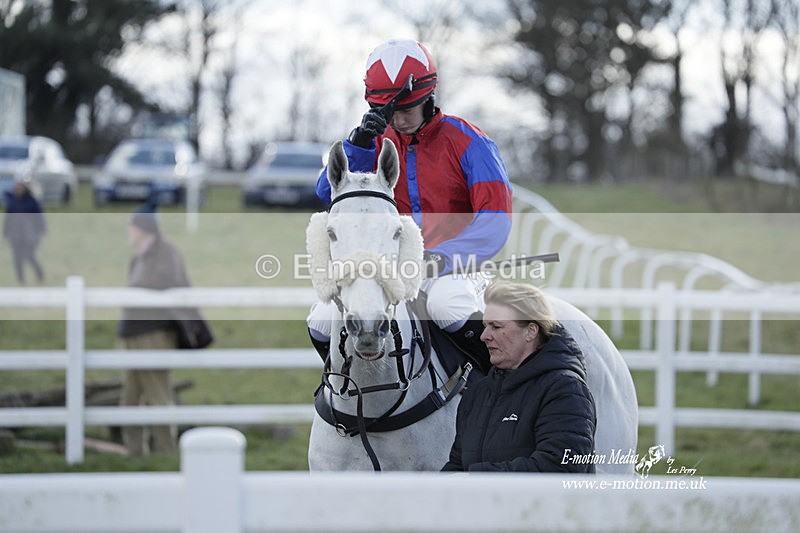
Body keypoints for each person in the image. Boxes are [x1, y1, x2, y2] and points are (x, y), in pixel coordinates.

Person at [308, 39, 513, 372]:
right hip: (390, 269)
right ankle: (343, 390)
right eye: (390, 112)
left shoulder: (471, 142)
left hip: (455, 267)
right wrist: (359, 144)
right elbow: (325, 193)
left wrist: (441, 257)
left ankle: (497, 388)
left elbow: (496, 222)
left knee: (447, 305)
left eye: (407, 109)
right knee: (320, 321)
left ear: (428, 98)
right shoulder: (375, 143)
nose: (399, 120)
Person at [441, 282, 596, 472]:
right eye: (485, 326)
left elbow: (561, 467)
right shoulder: (476, 394)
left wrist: (475, 479)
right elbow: (457, 465)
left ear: (531, 331)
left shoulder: (565, 389)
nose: (484, 336)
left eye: (496, 326)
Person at [116, 203, 191, 457]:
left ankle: (166, 451)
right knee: (130, 397)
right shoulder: (138, 257)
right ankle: (135, 450)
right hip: (133, 333)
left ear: (143, 229)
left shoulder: (166, 253)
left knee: (157, 394)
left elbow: (167, 285)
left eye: (132, 225)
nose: (128, 230)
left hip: (154, 333)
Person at [3, 181, 46, 284]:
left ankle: (39, 273)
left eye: (19, 188)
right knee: (17, 258)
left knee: (29, 256)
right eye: (16, 188)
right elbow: (8, 217)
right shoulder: (12, 201)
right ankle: (21, 280)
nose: (17, 190)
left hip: (30, 234)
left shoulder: (31, 201)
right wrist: (5, 232)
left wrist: (42, 230)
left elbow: (39, 216)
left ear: (24, 189)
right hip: (15, 234)